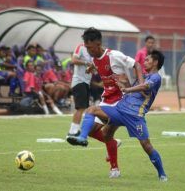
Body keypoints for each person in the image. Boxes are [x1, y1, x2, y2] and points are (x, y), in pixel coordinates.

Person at [68, 50, 168, 181]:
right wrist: (122, 82)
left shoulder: (156, 77)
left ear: (155, 62)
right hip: (119, 110)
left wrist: (127, 89)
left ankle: (162, 174)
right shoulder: (141, 76)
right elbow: (137, 87)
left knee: (146, 145)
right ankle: (82, 137)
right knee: (93, 112)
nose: (145, 62)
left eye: (148, 60)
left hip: (135, 115)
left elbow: (145, 87)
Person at [67, 27, 144, 178]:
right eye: (86, 47)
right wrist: (91, 67)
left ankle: (113, 167)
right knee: (94, 131)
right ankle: (112, 159)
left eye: (89, 47)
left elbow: (137, 65)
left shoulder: (114, 55)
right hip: (107, 100)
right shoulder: (95, 58)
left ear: (98, 43)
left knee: (93, 115)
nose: (88, 51)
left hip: (121, 100)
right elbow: (97, 64)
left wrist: (140, 85)